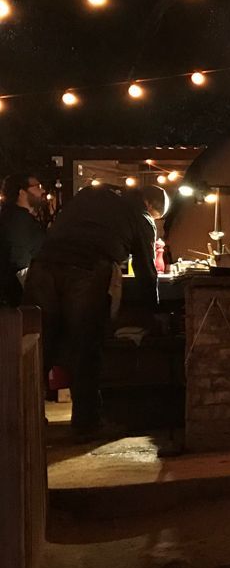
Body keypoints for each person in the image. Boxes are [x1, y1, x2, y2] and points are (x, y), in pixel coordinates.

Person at [23, 184, 166, 438]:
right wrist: (153, 311)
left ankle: (25, 420)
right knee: (86, 345)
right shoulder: (141, 216)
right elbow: (146, 269)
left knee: (38, 346)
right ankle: (86, 423)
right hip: (86, 271)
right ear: (151, 206)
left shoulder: (90, 195)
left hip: (42, 267)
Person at [0, 172, 46, 307]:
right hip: (19, 300)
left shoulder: (14, 218)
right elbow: (20, 261)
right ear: (22, 192)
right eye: (37, 187)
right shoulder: (18, 221)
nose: (42, 190)